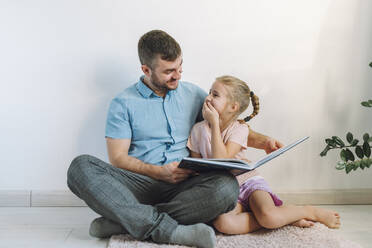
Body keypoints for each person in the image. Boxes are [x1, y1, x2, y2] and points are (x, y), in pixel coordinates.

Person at [66, 30, 282, 248]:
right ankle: (168, 230)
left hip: (184, 186)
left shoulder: (195, 95)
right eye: (169, 71)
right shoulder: (123, 103)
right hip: (138, 184)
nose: (177, 75)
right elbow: (118, 158)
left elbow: (229, 127)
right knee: (80, 167)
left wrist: (264, 142)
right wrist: (158, 172)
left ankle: (125, 221)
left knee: (226, 187)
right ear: (146, 70)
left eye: (180, 68)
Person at [187, 75, 341, 235]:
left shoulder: (239, 129)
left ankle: (308, 211)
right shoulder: (198, 130)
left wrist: (214, 124)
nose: (208, 98)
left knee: (269, 216)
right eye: (210, 92)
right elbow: (198, 170)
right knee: (223, 224)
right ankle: (284, 218)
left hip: (248, 182)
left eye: (215, 95)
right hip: (225, 191)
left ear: (233, 107)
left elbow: (221, 159)